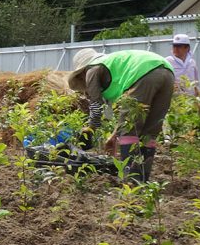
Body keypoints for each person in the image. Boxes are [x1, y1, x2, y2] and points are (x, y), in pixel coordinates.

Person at [69, 48, 174, 183]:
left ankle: (130, 181)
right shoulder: (112, 68)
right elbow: (123, 115)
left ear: (81, 73)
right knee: (149, 132)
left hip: (143, 73)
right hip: (167, 72)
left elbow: (96, 107)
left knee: (129, 132)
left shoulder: (91, 70)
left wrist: (89, 130)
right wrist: (114, 135)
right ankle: (142, 181)